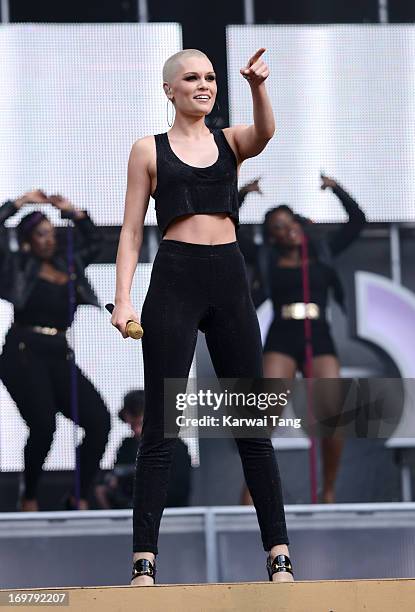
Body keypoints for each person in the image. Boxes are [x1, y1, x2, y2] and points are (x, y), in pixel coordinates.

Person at [111, 48, 294, 585]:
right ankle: (145, 561)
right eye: (192, 77)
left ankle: (278, 555)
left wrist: (259, 85)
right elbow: (129, 232)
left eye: (211, 77)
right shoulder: (148, 149)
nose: (204, 85)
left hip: (229, 277)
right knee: (162, 429)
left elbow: (265, 134)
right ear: (169, 89)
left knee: (251, 423)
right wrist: (122, 299)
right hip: (174, 278)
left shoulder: (231, 141)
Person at [237, 175, 366, 504]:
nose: (287, 229)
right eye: (278, 227)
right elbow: (229, 228)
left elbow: (357, 222)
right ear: (271, 236)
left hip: (318, 334)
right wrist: (241, 195)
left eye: (290, 222)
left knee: (333, 414)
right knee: (266, 413)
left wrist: (336, 188)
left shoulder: (321, 250)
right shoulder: (266, 257)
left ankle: (329, 489)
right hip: (282, 333)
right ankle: (251, 492)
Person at [0, 190, 111, 511]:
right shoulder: (16, 266)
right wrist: (19, 203)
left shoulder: (70, 261)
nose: (49, 240)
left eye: (51, 233)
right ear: (27, 241)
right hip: (23, 352)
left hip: (59, 351)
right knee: (44, 425)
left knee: (99, 421)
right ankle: (30, 494)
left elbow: (96, 242)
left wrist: (73, 211)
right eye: (41, 234)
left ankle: (80, 494)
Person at [95, 390, 192, 509]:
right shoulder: (127, 446)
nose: (136, 431)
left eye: (141, 424)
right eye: (132, 425)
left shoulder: (175, 448)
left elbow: (177, 491)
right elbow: (116, 479)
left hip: (168, 515)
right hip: (129, 514)